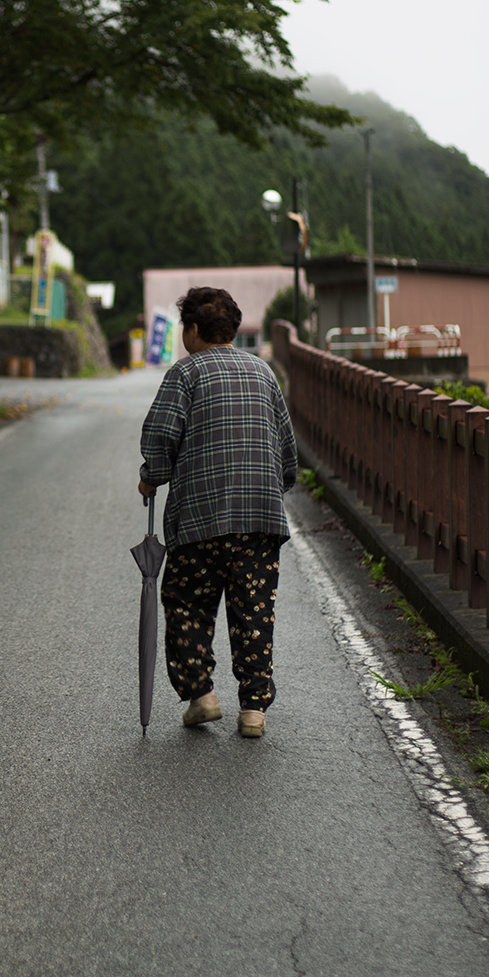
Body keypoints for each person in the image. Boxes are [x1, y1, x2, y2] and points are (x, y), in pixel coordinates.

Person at [137, 286, 298, 739]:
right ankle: (253, 711)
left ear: (191, 330)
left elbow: (161, 437)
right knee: (254, 613)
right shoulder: (264, 373)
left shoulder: (185, 373)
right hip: (261, 520)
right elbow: (286, 446)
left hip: (198, 521)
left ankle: (202, 696)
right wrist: (279, 484)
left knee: (187, 605)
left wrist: (152, 476)